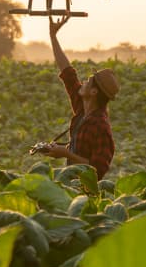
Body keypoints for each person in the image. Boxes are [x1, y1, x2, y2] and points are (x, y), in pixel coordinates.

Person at [35, 15, 119, 178]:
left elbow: (97, 170)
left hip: (85, 191)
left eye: (88, 81)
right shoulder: (82, 109)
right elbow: (67, 72)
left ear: (94, 93)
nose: (83, 83)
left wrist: (66, 154)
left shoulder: (101, 125)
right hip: (70, 183)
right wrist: (53, 37)